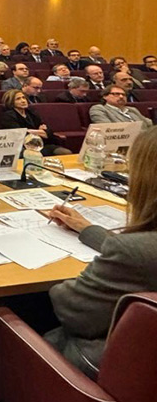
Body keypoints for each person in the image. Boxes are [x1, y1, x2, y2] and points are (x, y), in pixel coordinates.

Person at [43, 126, 157, 376]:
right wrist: (87, 229)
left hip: (107, 367)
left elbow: (71, 309)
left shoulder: (133, 252)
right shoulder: (140, 249)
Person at [0, 89, 73, 156]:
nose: (23, 101)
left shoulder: (31, 112)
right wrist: (39, 131)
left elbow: (48, 131)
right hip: (25, 147)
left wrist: (30, 131)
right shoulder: (8, 116)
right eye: (18, 99)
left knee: (66, 152)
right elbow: (20, 134)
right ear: (10, 101)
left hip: (41, 144)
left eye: (23, 97)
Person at [89, 86, 153, 127]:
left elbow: (150, 123)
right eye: (116, 94)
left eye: (123, 95)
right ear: (105, 96)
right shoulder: (99, 109)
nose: (121, 97)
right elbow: (107, 128)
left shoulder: (132, 109)